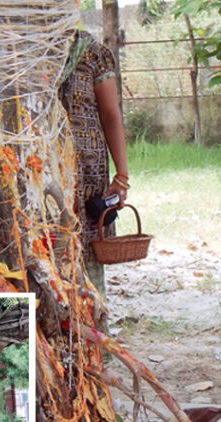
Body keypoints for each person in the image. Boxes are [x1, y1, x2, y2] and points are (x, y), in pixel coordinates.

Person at [59, 29, 130, 296]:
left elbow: (111, 115)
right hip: (40, 168)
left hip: (87, 172)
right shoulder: (27, 51)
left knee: (86, 242)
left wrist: (121, 177)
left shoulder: (92, 52)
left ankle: (89, 314)